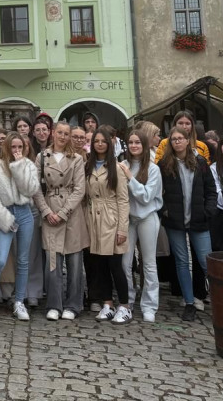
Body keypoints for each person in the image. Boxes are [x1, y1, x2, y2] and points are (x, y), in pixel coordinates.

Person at [0, 132, 38, 323]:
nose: (17, 150)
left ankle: (19, 301)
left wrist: (19, 166)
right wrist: (3, 217)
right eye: (13, 147)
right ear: (7, 147)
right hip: (5, 212)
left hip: (25, 212)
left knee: (23, 260)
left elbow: (31, 190)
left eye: (20, 147)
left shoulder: (28, 164)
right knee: (0, 259)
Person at [159, 128, 217, 321]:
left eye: (180, 138)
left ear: (187, 141)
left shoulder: (200, 162)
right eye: (173, 139)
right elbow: (158, 191)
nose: (177, 142)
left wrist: (208, 211)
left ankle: (220, 300)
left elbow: (211, 190)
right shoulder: (164, 164)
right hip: (174, 221)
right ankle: (189, 302)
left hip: (198, 219)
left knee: (207, 262)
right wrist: (164, 210)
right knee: (182, 261)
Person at [33, 120, 88, 322]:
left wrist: (63, 212)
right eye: (60, 133)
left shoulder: (76, 159)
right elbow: (35, 187)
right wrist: (46, 211)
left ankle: (73, 304)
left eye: (67, 133)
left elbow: (80, 189)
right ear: (53, 133)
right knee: (53, 261)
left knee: (74, 262)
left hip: (72, 213)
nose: (63, 137)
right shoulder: (42, 157)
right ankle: (54, 304)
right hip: (50, 208)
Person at [84, 127, 131, 324]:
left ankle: (125, 306)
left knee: (115, 264)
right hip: (93, 218)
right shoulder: (88, 166)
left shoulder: (116, 168)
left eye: (103, 141)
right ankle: (107, 303)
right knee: (99, 264)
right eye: (96, 141)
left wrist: (122, 228)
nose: (100, 144)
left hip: (111, 217)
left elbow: (123, 200)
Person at [122, 123, 163, 323]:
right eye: (131, 142)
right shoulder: (123, 164)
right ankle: (128, 300)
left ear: (144, 145)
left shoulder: (153, 169)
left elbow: (146, 197)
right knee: (125, 262)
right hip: (128, 219)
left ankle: (149, 305)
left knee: (149, 263)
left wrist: (130, 178)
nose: (134, 145)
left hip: (147, 217)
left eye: (137, 142)